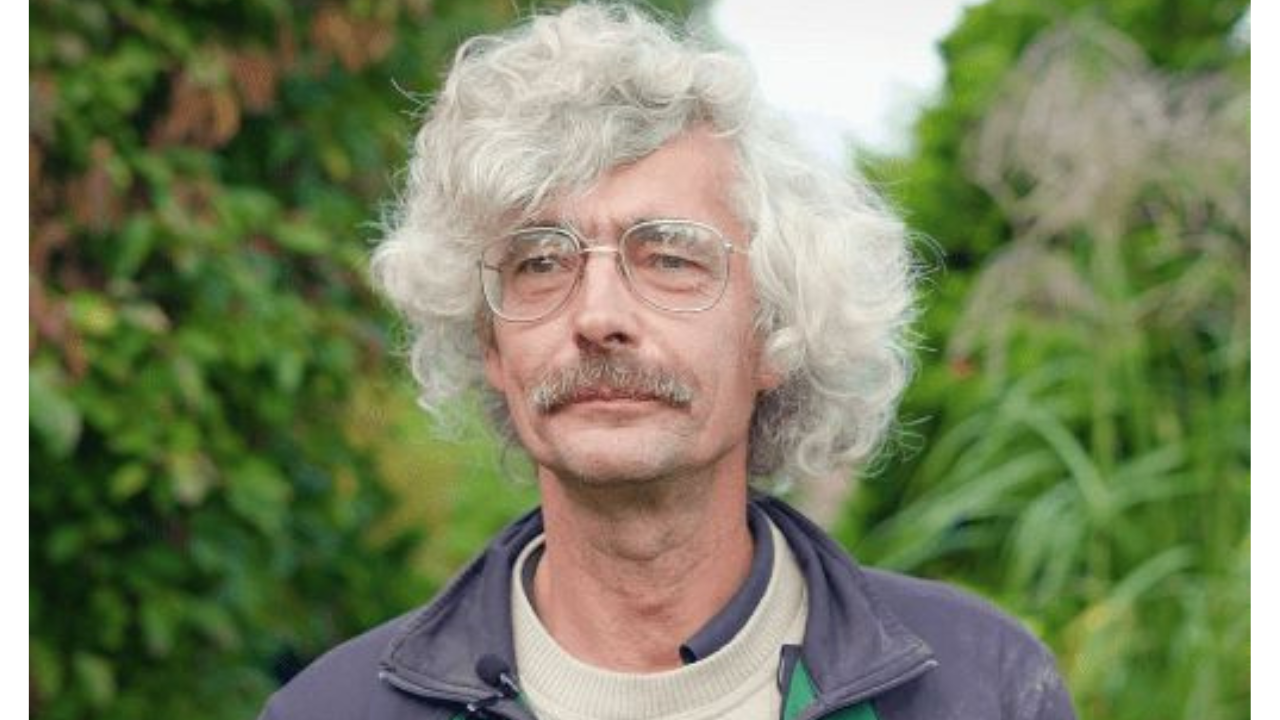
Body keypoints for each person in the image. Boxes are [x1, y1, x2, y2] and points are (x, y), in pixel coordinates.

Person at [258, 4, 1076, 719]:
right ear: (491, 347)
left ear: (775, 333)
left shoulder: (982, 689)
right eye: (540, 261)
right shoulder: (332, 711)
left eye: (670, 257)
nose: (598, 317)